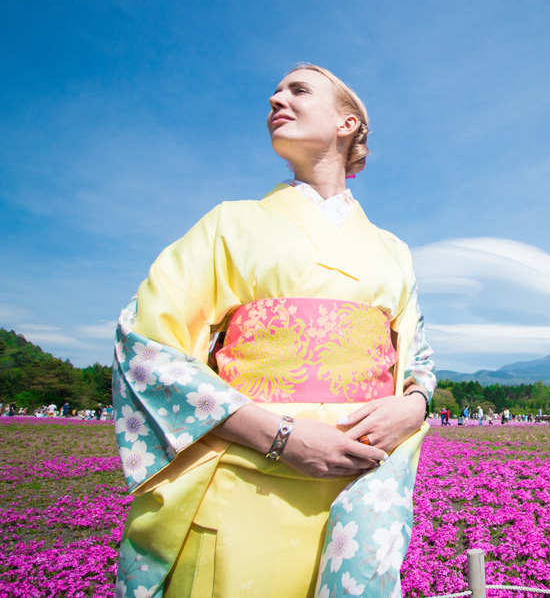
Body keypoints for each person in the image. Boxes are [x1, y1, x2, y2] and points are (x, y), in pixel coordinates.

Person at [112, 64, 435, 598]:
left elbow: (416, 354)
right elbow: (144, 344)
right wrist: (280, 437)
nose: (274, 97)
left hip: (360, 484)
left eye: (298, 90)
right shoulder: (229, 223)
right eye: (276, 92)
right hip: (247, 474)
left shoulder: (393, 250)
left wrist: (416, 403)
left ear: (347, 123)